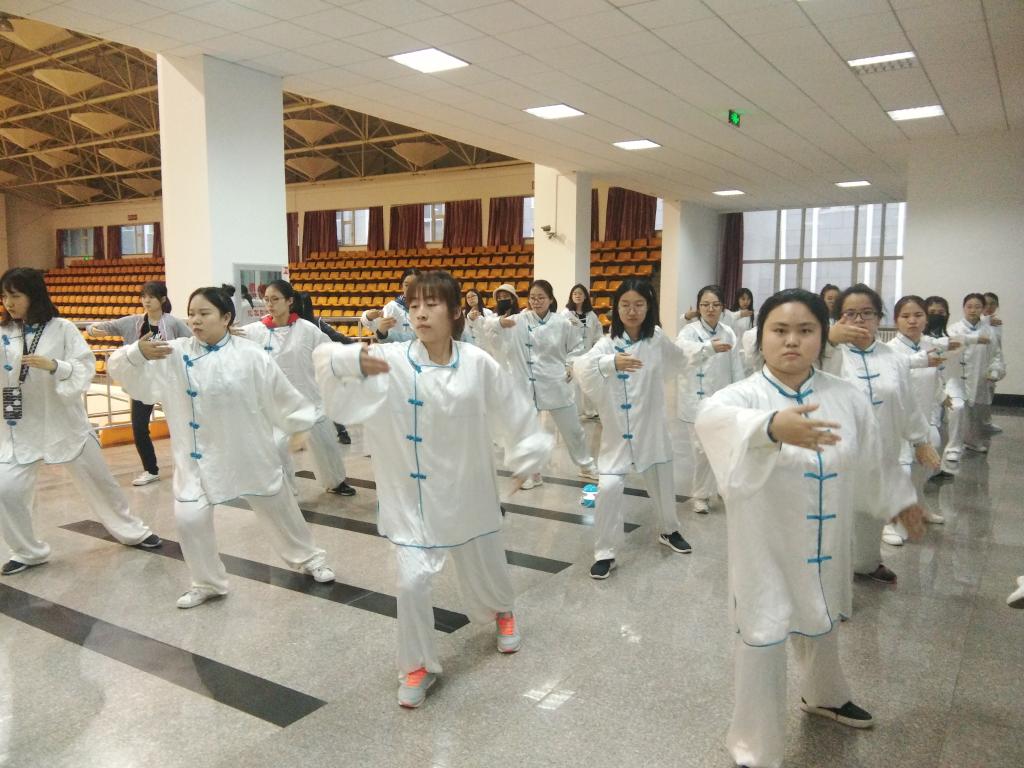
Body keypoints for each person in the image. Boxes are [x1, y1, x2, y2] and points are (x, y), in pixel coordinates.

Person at [313, 270, 552, 708]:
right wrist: (351, 362)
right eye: (414, 305)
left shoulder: (477, 363)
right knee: (411, 582)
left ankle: (502, 610)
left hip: (467, 489)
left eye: (431, 304)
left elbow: (514, 410)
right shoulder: (391, 359)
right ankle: (417, 664)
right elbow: (324, 357)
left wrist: (527, 451)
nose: (420, 313)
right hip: (411, 499)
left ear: (456, 311)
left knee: (485, 562)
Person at [696, 288, 887, 768]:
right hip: (765, 545)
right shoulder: (742, 396)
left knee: (822, 617)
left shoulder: (845, 396)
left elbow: (870, 458)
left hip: (826, 541)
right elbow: (710, 419)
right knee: (763, 635)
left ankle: (825, 695)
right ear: (760, 337)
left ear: (823, 337)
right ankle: (754, 748)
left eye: (806, 330)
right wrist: (769, 429)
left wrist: (898, 502)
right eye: (779, 330)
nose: (792, 341)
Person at [108, 286, 336, 608]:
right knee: (189, 519)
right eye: (192, 314)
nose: (195, 321)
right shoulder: (173, 353)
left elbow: (280, 392)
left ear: (226, 317)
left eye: (204, 314)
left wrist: (298, 424)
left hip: (248, 450)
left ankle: (310, 558)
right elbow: (123, 371)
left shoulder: (250, 354)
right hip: (197, 458)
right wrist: (137, 354)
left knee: (279, 507)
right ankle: (207, 582)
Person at [1, 268, 161, 575]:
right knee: (6, 489)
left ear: (33, 295)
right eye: (4, 296)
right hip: (20, 428)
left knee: (101, 483)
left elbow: (84, 366)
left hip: (66, 423)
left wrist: (55, 366)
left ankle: (132, 531)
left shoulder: (61, 329)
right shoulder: (4, 332)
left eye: (15, 295)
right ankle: (27, 551)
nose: (9, 303)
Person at [574, 277, 696, 579]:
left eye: (639, 304)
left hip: (651, 429)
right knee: (608, 488)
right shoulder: (607, 343)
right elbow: (582, 367)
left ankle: (669, 530)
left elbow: (679, 358)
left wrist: (705, 351)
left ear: (649, 307)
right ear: (616, 308)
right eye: (625, 305)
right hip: (616, 435)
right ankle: (605, 551)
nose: (632, 311)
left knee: (663, 481)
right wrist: (610, 364)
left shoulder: (656, 338)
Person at [822, 284, 938, 582]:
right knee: (835, 513)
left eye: (867, 313)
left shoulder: (894, 358)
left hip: (882, 448)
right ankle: (829, 573)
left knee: (871, 511)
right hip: (837, 450)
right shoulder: (828, 355)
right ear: (838, 318)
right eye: (850, 313)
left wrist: (921, 440)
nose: (859, 320)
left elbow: (908, 402)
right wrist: (829, 340)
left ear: (879, 317)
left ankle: (866, 563)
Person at [238, 280, 355, 497]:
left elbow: (330, 353)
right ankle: (286, 491)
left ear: (289, 301)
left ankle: (335, 481)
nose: (270, 304)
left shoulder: (307, 330)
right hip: (276, 405)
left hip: (310, 399)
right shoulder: (254, 331)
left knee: (326, 445)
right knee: (277, 450)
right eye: (267, 300)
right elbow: (226, 338)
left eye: (275, 299)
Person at [487, 279, 599, 487]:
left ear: (550, 299)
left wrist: (570, 365)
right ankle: (533, 473)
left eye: (541, 297)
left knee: (573, 430)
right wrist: (499, 323)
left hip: (555, 382)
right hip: (525, 385)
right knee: (527, 432)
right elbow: (489, 329)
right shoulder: (519, 320)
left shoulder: (562, 323)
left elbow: (577, 347)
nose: (536, 301)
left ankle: (586, 465)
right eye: (532, 298)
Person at [88, 281, 191, 486]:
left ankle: (187, 467)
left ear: (162, 299)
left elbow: (191, 340)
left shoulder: (173, 323)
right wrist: (93, 330)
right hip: (143, 383)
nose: (146, 301)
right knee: (139, 426)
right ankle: (151, 470)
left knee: (181, 424)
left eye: (151, 297)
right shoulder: (133, 321)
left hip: (169, 381)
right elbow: (103, 327)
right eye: (144, 297)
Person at [676, 285, 745, 514]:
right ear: (698, 307)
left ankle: (721, 488)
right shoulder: (689, 331)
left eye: (715, 304)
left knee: (723, 447)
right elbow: (682, 351)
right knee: (701, 450)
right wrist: (708, 347)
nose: (710, 309)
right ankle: (701, 495)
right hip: (694, 399)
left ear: (723, 307)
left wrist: (740, 395)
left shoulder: (728, 332)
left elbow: (736, 366)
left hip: (721, 399)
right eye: (705, 304)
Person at [887, 295, 951, 526]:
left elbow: (935, 377)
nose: (912, 321)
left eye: (918, 315)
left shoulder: (930, 346)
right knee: (901, 471)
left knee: (925, 466)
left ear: (926, 318)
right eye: (905, 316)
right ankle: (889, 520)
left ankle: (920, 505)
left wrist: (942, 397)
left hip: (923, 418)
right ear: (896, 321)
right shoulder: (889, 351)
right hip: (897, 421)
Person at [944, 293, 1003, 464]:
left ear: (982, 309)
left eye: (977, 307)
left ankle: (971, 441)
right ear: (963, 308)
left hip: (978, 377)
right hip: (956, 378)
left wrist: (995, 371)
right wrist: (973, 339)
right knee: (958, 408)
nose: (973, 310)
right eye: (969, 306)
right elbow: (950, 346)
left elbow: (996, 354)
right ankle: (953, 448)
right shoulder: (954, 329)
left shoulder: (989, 330)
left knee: (975, 411)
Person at [295, 291, 356, 445]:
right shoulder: (309, 323)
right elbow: (336, 336)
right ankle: (340, 432)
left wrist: (352, 344)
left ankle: (338, 431)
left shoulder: (313, 324)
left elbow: (335, 336)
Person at [561, 283, 603, 420]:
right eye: (575, 293)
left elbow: (597, 334)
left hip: (588, 354)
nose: (577, 296)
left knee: (587, 381)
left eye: (580, 293)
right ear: (571, 296)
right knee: (573, 384)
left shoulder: (592, 315)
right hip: (571, 354)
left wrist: (597, 348)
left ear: (585, 296)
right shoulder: (565, 314)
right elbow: (560, 334)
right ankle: (573, 411)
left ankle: (590, 410)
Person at [359, 267, 420, 343]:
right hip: (397, 349)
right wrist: (367, 316)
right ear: (401, 286)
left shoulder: (427, 307)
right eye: (407, 285)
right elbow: (376, 328)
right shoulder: (392, 307)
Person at [980, 292, 1005, 434]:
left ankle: (986, 422)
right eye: (985, 303)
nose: (989, 307)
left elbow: (998, 347)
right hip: (976, 365)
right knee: (976, 399)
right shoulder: (976, 323)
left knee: (989, 394)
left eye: (992, 303)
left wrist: (997, 367)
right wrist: (986, 321)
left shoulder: (997, 324)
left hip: (991, 363)